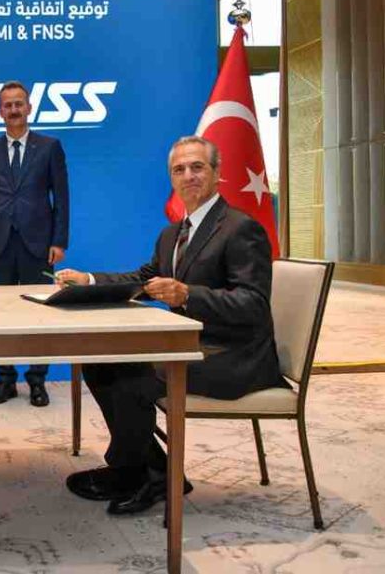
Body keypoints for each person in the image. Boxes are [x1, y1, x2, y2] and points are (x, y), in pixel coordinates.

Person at [59, 136, 288, 516]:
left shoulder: (241, 228)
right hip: (191, 347)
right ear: (172, 178)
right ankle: (151, 470)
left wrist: (187, 295)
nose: (188, 175)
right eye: (179, 169)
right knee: (99, 362)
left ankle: (139, 473)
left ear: (217, 172)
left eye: (197, 167)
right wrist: (89, 279)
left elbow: (253, 304)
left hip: (234, 357)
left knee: (131, 376)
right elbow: (142, 279)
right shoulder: (173, 234)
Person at [0, 81, 69, 407]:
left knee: (39, 314)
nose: (13, 110)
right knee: (0, 316)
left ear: (29, 108)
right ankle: (5, 380)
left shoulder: (50, 146)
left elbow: (62, 197)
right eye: (7, 105)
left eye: (19, 104)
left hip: (38, 243)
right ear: (0, 111)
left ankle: (38, 380)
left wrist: (59, 240)